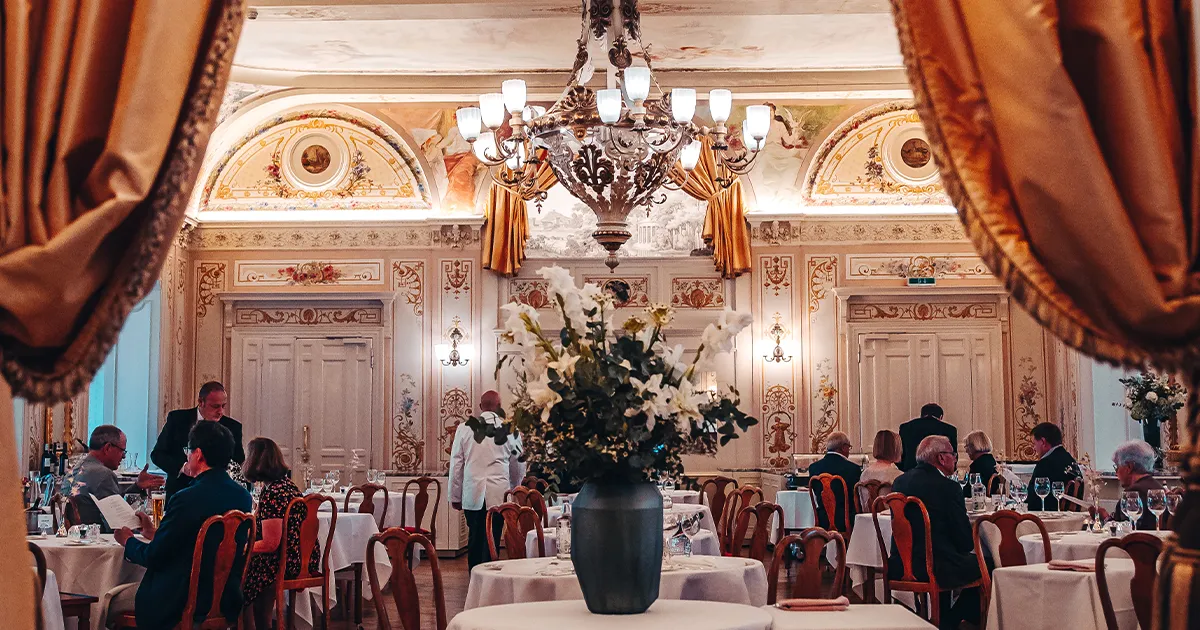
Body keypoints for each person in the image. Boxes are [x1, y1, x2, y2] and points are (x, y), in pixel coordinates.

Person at [115, 421, 252, 629]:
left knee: (109, 599)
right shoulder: (242, 496)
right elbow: (198, 541)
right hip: (226, 596)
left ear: (198, 454)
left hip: (181, 598)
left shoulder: (186, 498)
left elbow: (155, 557)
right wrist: (155, 533)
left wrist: (128, 542)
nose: (187, 456)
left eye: (188, 451)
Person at [890, 435, 983, 630]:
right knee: (988, 565)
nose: (956, 458)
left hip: (900, 564)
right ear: (941, 458)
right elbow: (965, 542)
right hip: (937, 567)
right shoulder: (949, 488)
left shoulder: (899, 483)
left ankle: (938, 618)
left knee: (947, 553)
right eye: (953, 454)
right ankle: (949, 621)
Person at [240, 437, 321, 630]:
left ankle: (248, 622)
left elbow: (270, 543)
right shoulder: (288, 486)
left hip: (284, 560)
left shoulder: (273, 494)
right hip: (301, 557)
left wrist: (244, 548)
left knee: (237, 569)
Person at [449, 390, 525, 569]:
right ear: (499, 408)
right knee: (493, 537)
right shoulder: (510, 429)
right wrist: (514, 489)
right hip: (499, 492)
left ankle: (475, 578)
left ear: (481, 407)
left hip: (472, 492)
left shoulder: (465, 428)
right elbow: (518, 464)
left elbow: (456, 464)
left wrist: (455, 495)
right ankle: (490, 577)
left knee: (474, 537)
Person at [152, 381, 246, 500]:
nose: (220, 411)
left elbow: (238, 461)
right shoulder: (177, 420)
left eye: (223, 406)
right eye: (215, 406)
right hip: (180, 492)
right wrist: (183, 467)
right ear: (201, 402)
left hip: (218, 495)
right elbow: (157, 454)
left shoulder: (232, 427)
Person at [62, 425, 164, 529]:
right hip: (99, 539)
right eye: (122, 451)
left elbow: (114, 505)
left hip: (75, 537)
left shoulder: (74, 471)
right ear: (107, 448)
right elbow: (118, 523)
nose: (123, 456)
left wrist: (137, 486)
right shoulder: (104, 474)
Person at [807, 432, 862, 527]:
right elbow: (856, 497)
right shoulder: (853, 469)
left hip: (822, 519)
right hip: (846, 521)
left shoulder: (813, 468)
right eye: (849, 447)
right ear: (844, 447)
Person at [1025, 422, 1080, 511]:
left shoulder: (1045, 464)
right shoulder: (1070, 459)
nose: (1034, 448)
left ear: (1043, 442)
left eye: (1034, 444)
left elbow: (1032, 499)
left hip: (1047, 516)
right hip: (1069, 516)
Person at [1111, 440, 1163, 530]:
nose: (1116, 473)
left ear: (1129, 467)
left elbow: (1125, 531)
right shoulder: (1158, 487)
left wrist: (1104, 518)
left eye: (1117, 467)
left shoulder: (1132, 493)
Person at [899, 403, 958, 471]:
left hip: (910, 471)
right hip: (939, 473)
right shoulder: (949, 429)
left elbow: (900, 454)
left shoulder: (905, 427)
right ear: (940, 417)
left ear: (921, 415)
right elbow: (953, 457)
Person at [963, 430, 999, 497]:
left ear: (973, 446)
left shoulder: (978, 465)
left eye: (967, 446)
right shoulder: (990, 461)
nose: (966, 450)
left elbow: (968, 492)